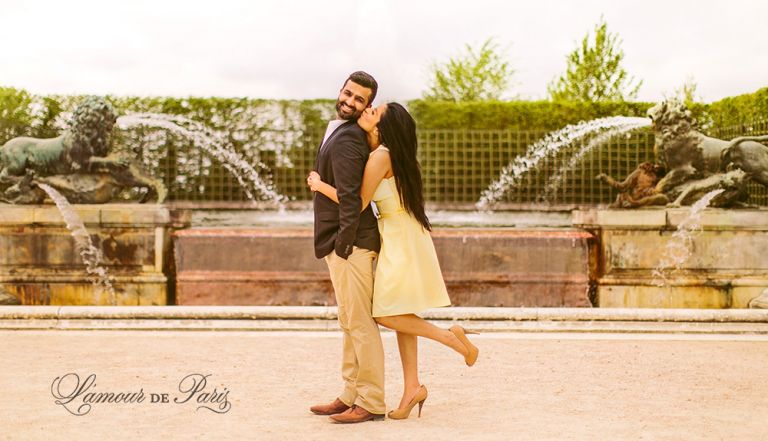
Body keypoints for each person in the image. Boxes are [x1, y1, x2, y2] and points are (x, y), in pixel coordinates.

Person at [308, 102, 479, 420]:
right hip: (405, 233)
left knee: (385, 315)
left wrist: (319, 186)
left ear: (381, 126)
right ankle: (412, 387)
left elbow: (356, 201)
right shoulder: (391, 153)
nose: (368, 109)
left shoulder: (380, 156)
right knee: (402, 312)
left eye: (376, 110)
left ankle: (452, 339)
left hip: (399, 238)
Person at [308, 71, 386, 424]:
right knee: (348, 321)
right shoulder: (340, 130)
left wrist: (342, 246)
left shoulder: (350, 139)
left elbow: (352, 200)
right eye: (348, 94)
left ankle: (371, 401)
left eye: (359, 100)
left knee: (360, 323)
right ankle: (350, 393)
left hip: (351, 243)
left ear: (367, 106)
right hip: (344, 242)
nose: (350, 102)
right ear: (340, 90)